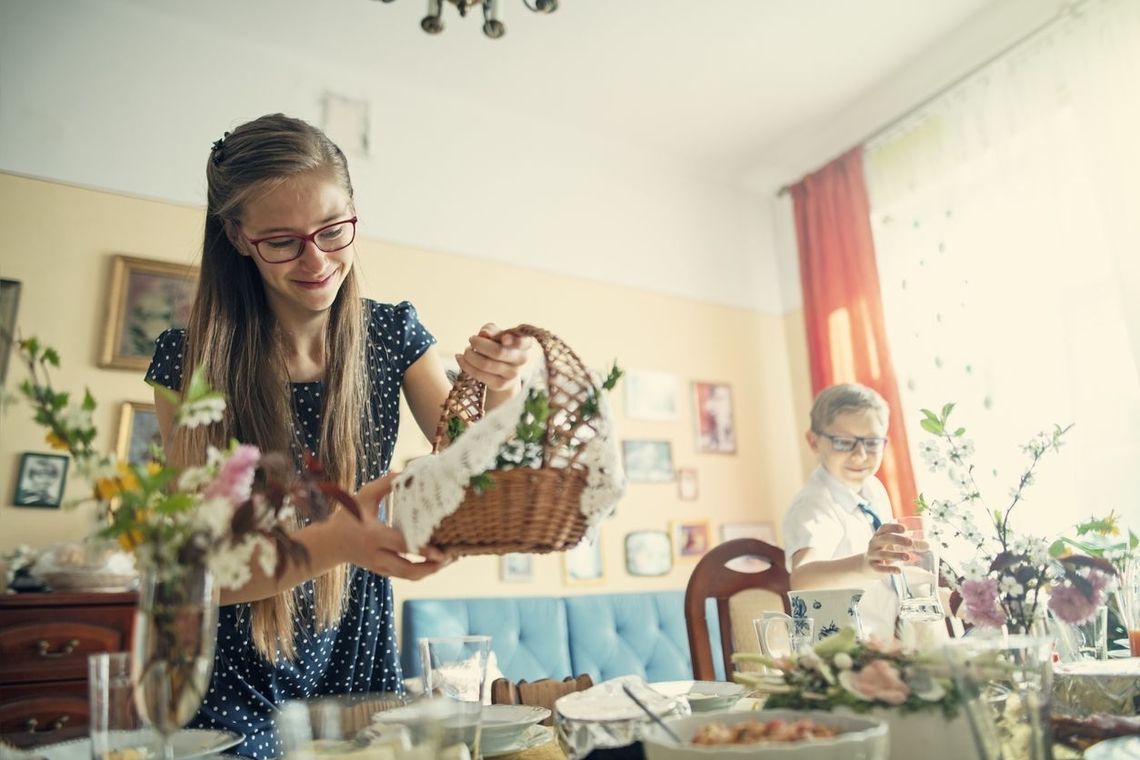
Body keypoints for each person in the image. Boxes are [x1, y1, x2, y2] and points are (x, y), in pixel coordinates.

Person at [146, 113, 533, 758]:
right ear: (238, 238)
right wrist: (336, 541)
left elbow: (467, 468)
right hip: (227, 668)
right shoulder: (190, 363)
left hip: (355, 642)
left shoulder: (392, 335)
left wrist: (501, 388)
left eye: (332, 229)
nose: (317, 259)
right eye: (282, 241)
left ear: (354, 211)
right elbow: (204, 575)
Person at [781, 383, 911, 640]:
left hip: (882, 644)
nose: (860, 455)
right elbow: (802, 578)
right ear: (814, 442)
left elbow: (891, 576)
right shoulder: (815, 504)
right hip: (838, 653)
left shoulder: (873, 489)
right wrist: (863, 565)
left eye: (872, 443)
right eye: (844, 442)